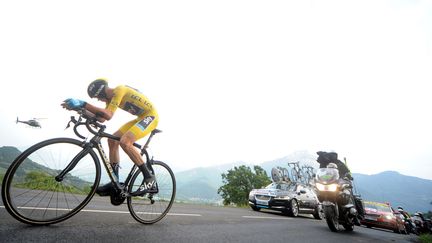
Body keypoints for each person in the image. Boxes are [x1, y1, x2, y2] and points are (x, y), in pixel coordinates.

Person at [61, 78, 158, 196]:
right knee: (112, 140)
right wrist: (80, 109)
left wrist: (83, 103)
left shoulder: (119, 90)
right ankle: (115, 181)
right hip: (140, 118)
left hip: (151, 116)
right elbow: (102, 118)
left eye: (97, 97)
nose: (98, 100)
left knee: (125, 142)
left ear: (100, 92)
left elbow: (108, 115)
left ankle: (149, 178)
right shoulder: (111, 99)